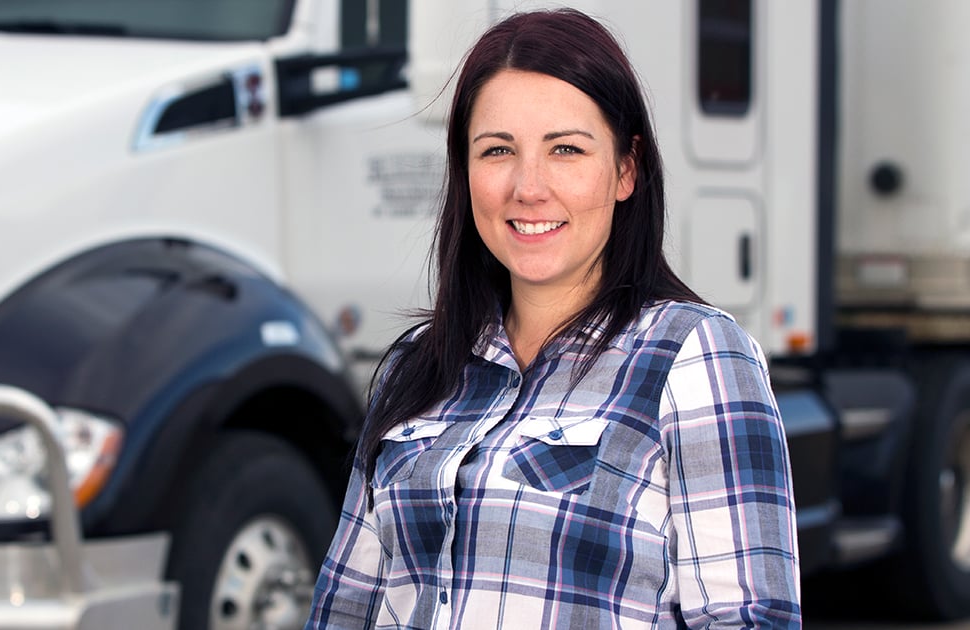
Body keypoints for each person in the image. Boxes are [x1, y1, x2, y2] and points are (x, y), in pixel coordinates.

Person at [306, 7, 800, 629]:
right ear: (465, 172)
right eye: (497, 151)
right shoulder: (415, 367)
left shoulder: (695, 356)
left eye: (566, 149)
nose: (528, 186)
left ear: (626, 169)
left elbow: (749, 619)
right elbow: (343, 612)